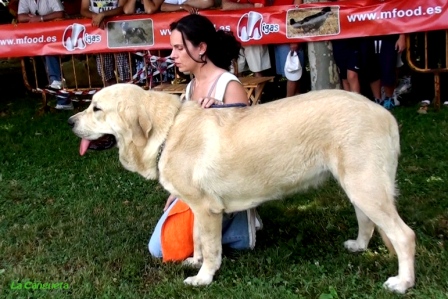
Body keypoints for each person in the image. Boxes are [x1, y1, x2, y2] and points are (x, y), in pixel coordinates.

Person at [148, 14, 262, 262]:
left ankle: (241, 223)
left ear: (201, 48)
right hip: (199, 185)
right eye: (173, 48)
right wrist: (179, 191)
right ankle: (224, 231)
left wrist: (222, 110)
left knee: (162, 249)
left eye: (179, 48)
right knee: (160, 247)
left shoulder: (228, 85)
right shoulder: (190, 88)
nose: (173, 55)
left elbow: (246, 150)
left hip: (226, 186)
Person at [17, 0, 73, 110]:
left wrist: (40, 18)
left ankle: (63, 99)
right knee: (49, 66)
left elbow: (60, 13)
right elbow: (20, 17)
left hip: (60, 36)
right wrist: (34, 19)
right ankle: (63, 101)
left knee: (49, 56)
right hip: (40, 38)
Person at [80, 0, 131, 86]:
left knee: (123, 68)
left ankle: (126, 95)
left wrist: (103, 14)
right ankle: (111, 96)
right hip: (100, 32)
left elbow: (122, 8)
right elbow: (83, 9)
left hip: (118, 31)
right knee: (104, 71)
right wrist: (94, 16)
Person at [221, 0, 271, 80]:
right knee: (235, 72)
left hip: (253, 34)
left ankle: (258, 93)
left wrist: (236, 6)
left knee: (257, 70)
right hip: (233, 33)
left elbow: (259, 7)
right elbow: (225, 5)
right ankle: (239, 92)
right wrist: (250, 6)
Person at [360, 34, 406, 109]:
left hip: (389, 35)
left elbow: (402, 21)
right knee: (371, 68)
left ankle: (389, 99)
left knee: (388, 67)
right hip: (367, 35)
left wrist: (402, 36)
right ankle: (377, 100)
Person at [271, 0, 305, 97]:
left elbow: (297, 12)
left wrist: (294, 39)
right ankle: (295, 103)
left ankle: (288, 102)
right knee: (293, 74)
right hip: (280, 35)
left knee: (293, 74)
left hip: (290, 37)